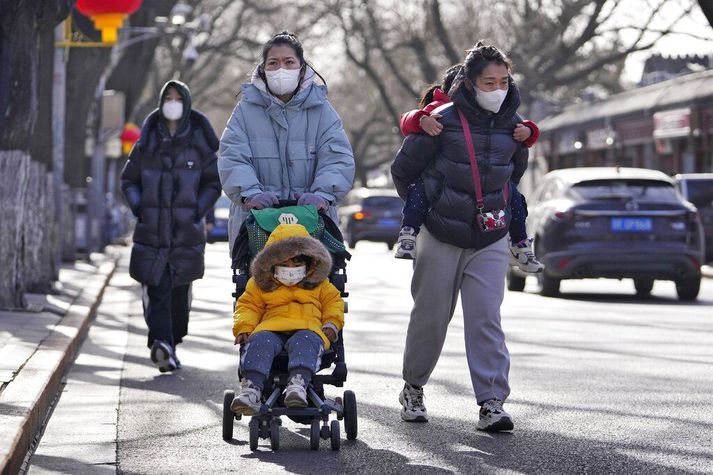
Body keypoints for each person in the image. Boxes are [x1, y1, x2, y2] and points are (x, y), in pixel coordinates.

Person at [391, 42, 527, 432]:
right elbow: (403, 170)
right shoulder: (439, 120)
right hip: (441, 233)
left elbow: (513, 176)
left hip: (489, 237)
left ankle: (491, 403)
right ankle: (413, 387)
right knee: (431, 318)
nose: (498, 89)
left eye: (504, 81)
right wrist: (431, 206)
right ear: (469, 83)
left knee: (486, 319)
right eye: (489, 82)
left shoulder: (515, 125)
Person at [395, 64, 543, 275]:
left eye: (501, 83)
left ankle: (520, 244)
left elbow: (524, 141)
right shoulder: (440, 111)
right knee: (419, 190)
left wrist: (529, 131)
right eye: (487, 84)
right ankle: (409, 231)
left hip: (486, 211)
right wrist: (422, 120)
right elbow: (406, 122)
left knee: (515, 197)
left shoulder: (500, 116)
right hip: (439, 193)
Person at [218, 31, 355, 251]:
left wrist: (322, 195)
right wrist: (250, 193)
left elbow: (337, 158)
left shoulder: (323, 112)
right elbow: (232, 157)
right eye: (273, 62)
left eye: (289, 62)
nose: (281, 68)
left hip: (313, 227)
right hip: (258, 230)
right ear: (263, 69)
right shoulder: (244, 112)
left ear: (302, 69)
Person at [121, 80, 221, 373]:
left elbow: (213, 183)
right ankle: (161, 343)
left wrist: (197, 211)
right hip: (151, 231)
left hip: (186, 233)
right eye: (169, 97)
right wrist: (140, 206)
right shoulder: (147, 142)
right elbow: (129, 181)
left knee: (179, 295)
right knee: (158, 288)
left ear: (187, 103)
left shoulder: (199, 144)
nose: (173, 102)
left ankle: (171, 341)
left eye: (178, 97)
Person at [230, 223, 344, 414]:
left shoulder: (319, 283)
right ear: (271, 263)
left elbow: (334, 303)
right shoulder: (261, 283)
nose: (290, 269)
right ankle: (251, 388)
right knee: (259, 341)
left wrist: (332, 324)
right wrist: (244, 327)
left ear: (310, 262)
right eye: (284, 264)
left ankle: (297, 384)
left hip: (309, 327)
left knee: (305, 340)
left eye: (297, 264)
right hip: (271, 327)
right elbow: (248, 305)